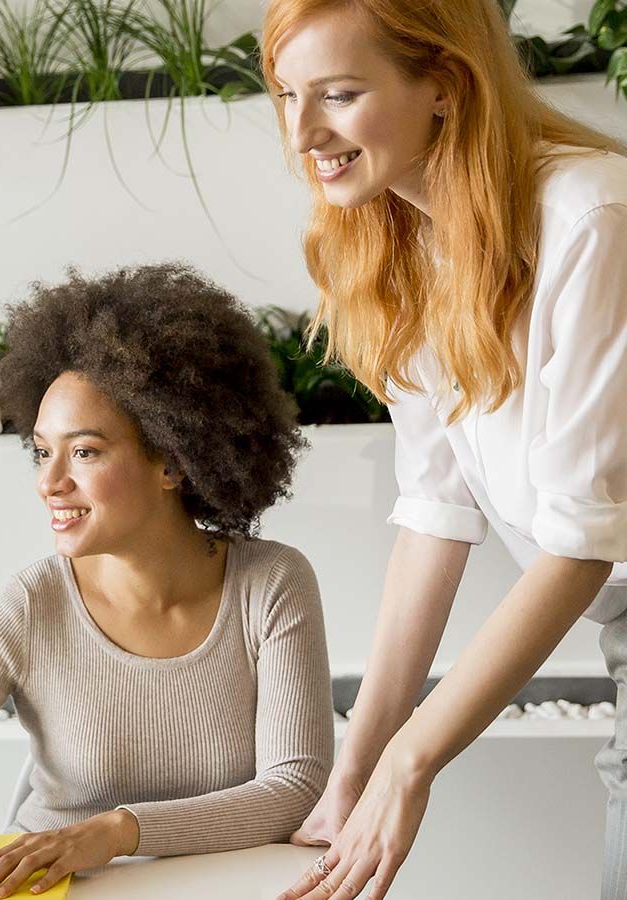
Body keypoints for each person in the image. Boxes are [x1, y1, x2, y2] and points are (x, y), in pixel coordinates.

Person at [0, 263, 335, 899]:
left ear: (172, 460)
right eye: (41, 450)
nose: (49, 482)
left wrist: (113, 833)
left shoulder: (270, 584)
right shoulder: (30, 604)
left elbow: (292, 790)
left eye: (84, 452)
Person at [261, 1, 627, 897]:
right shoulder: (404, 246)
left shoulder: (593, 218)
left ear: (444, 87)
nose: (303, 131)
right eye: (285, 95)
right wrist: (360, 760)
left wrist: (412, 761)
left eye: (339, 94)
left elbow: (582, 538)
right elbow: (438, 509)